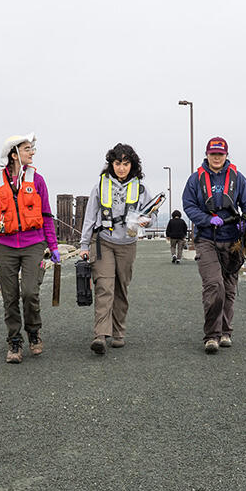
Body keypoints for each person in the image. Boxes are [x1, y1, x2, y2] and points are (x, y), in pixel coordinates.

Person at [0, 132, 62, 364]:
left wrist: (53, 246)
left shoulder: (38, 180)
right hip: (6, 245)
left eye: (32, 149)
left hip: (34, 244)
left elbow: (46, 215)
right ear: (14, 155)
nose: (31, 152)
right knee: (10, 296)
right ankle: (14, 341)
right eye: (27, 149)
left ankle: (33, 332)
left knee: (30, 292)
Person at [78, 143, 159, 355]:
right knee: (104, 286)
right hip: (103, 241)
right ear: (111, 164)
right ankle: (100, 335)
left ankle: (118, 331)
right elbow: (89, 216)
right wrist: (84, 245)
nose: (121, 168)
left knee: (121, 288)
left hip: (128, 244)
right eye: (117, 163)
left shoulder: (141, 188)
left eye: (125, 163)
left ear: (132, 165)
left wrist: (146, 222)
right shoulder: (100, 186)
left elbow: (152, 215)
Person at [181, 136, 246, 354]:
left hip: (233, 241)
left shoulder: (238, 179)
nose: (216, 158)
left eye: (220, 154)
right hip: (207, 239)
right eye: (213, 154)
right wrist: (206, 220)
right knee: (214, 286)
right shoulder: (195, 180)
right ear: (207, 155)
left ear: (226, 155)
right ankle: (212, 336)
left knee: (230, 288)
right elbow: (188, 205)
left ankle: (226, 331)